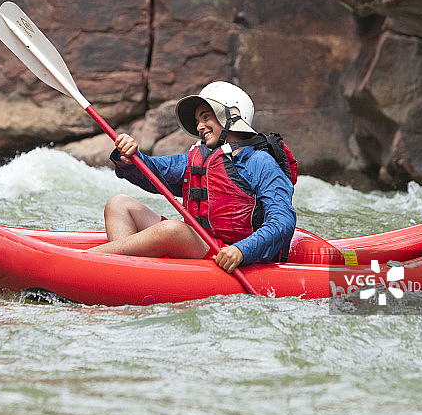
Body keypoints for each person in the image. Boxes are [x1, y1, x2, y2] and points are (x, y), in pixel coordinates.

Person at [91, 81, 296, 273]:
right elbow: (155, 171)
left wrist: (242, 251)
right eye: (198, 120)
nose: (199, 126)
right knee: (119, 204)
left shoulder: (260, 161)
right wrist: (130, 155)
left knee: (173, 230)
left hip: (231, 255)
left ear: (232, 116)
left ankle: (89, 260)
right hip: (203, 244)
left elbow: (283, 221)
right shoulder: (197, 159)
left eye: (206, 117)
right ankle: (119, 273)